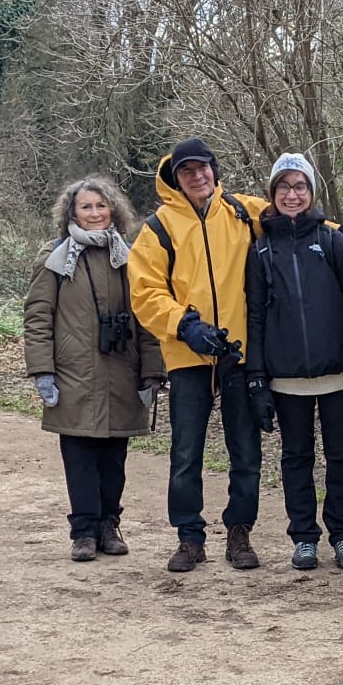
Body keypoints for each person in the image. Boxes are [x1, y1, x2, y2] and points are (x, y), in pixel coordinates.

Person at [126, 138, 269, 572]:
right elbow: (145, 292)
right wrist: (184, 325)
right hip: (188, 358)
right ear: (176, 177)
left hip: (239, 353)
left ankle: (239, 532)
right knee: (186, 452)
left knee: (245, 450)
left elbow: (300, 218)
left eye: (203, 167)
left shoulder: (244, 212)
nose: (197, 176)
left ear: (214, 169)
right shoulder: (160, 227)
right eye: (187, 171)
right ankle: (189, 537)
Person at [244, 153, 343, 571]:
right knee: (295, 458)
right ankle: (304, 537)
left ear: (311, 192)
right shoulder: (261, 248)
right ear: (272, 194)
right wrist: (257, 379)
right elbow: (255, 315)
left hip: (337, 372)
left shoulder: (335, 241)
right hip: (285, 378)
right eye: (283, 186)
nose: (292, 194)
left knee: (341, 457)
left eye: (300, 186)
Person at [23, 176, 166, 562]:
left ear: (113, 210)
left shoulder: (133, 257)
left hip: (122, 371)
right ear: (71, 212)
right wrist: (42, 371)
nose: (94, 213)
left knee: (114, 456)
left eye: (101, 206)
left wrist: (152, 372)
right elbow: (38, 316)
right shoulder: (54, 256)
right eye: (86, 207)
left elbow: (148, 317)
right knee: (79, 454)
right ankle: (83, 531)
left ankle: (109, 524)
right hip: (73, 374)